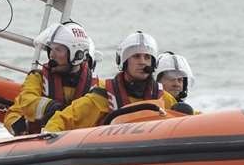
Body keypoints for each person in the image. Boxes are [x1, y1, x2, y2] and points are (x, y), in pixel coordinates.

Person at [42, 29, 176, 132]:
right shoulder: (103, 97)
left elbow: (189, 117)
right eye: (136, 56)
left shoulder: (164, 99)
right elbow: (65, 118)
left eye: (147, 57)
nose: (142, 62)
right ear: (124, 62)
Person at [3, 21, 96, 135]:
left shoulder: (95, 86)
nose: (52, 55)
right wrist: (48, 107)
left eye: (58, 49)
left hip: (79, 143)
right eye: (50, 49)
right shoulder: (38, 78)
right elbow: (24, 102)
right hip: (40, 141)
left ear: (77, 55)